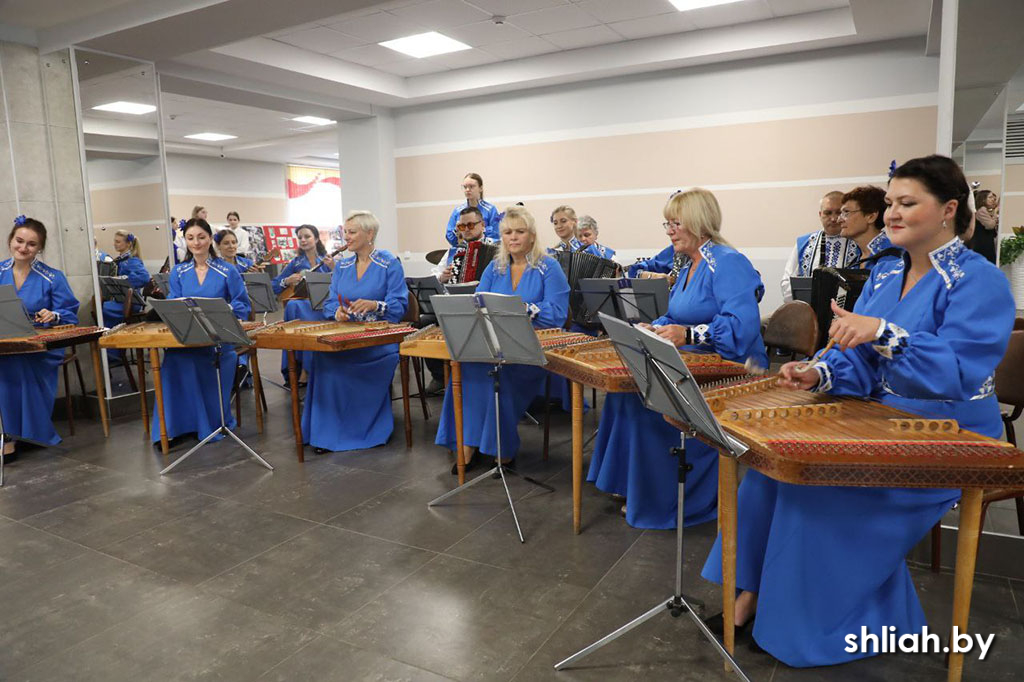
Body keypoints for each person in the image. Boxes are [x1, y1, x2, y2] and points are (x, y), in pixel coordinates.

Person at [701, 155, 1015, 667]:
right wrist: (820, 373)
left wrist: (884, 332)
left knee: (815, 496)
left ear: (948, 210)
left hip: (947, 435)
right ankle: (751, 599)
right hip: (879, 416)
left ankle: (804, 624)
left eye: (907, 203)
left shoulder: (978, 280)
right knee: (766, 477)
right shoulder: (887, 272)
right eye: (890, 202)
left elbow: (960, 371)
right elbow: (860, 359)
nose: (891, 213)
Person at [588, 189, 767, 529]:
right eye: (666, 223)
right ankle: (632, 485)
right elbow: (675, 315)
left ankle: (669, 500)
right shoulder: (689, 263)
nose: (669, 231)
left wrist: (691, 335)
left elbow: (741, 328)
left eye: (676, 223)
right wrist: (653, 328)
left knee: (648, 405)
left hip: (730, 367)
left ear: (699, 223)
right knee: (623, 395)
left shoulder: (727, 262)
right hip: (695, 359)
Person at [436, 206, 570, 473]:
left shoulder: (549, 267)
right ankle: (468, 443)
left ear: (532, 236)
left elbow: (557, 314)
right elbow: (478, 303)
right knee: (465, 367)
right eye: (508, 232)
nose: (513, 237)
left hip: (531, 348)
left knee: (500, 375)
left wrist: (524, 310)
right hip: (493, 344)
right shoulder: (495, 268)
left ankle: (501, 447)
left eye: (520, 231)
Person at [302, 211, 407, 453]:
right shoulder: (343, 266)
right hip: (347, 337)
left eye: (352, 232)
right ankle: (326, 433)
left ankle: (354, 431)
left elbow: (399, 306)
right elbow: (329, 303)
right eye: (345, 232)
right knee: (323, 357)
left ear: (369, 234)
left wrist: (375, 305)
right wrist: (337, 312)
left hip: (378, 340)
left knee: (340, 364)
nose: (346, 237)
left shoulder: (389, 263)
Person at [151, 218, 250, 445]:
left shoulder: (228, 270)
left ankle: (210, 424)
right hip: (188, 339)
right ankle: (175, 427)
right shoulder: (179, 271)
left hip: (219, 340)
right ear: (185, 241)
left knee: (210, 360)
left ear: (210, 239)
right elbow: (173, 302)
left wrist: (226, 310)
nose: (196, 242)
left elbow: (242, 305)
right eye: (190, 238)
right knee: (172, 362)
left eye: (201, 237)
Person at [0, 216, 80, 457]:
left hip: (40, 348)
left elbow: (70, 314)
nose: (23, 248)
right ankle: (9, 432)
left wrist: (53, 315)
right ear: (10, 241)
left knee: (16, 363)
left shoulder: (52, 277)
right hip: (4, 342)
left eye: (31, 244)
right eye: (19, 241)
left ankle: (18, 435)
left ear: (40, 248)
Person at [427, 206, 497, 394]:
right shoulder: (452, 252)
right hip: (456, 306)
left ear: (482, 225)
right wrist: (442, 278)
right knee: (425, 323)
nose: (465, 229)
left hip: (487, 307)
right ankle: (440, 376)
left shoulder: (498, 248)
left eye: (470, 225)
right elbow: (435, 277)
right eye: (461, 226)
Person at [272, 224, 337, 384]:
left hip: (326, 305)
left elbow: (344, 282)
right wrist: (287, 281)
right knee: (295, 306)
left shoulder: (328, 259)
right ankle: (301, 367)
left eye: (307, 236)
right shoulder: (295, 263)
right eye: (300, 237)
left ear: (316, 238)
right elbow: (274, 285)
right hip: (305, 305)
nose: (303, 240)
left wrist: (334, 268)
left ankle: (306, 369)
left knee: (296, 309)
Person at [780, 191, 861, 301]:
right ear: (820, 214)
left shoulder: (858, 244)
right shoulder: (804, 243)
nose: (833, 219)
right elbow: (787, 281)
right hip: (808, 311)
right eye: (828, 213)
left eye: (838, 212)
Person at [101, 230, 151, 364]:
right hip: (122, 301)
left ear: (128, 244)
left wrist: (124, 280)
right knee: (103, 309)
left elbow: (144, 277)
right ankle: (112, 350)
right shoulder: (121, 260)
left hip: (132, 303)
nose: (114, 244)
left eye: (118, 241)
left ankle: (112, 350)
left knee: (102, 309)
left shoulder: (132, 260)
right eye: (114, 241)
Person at [838, 185, 898, 268]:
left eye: (846, 212)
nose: (839, 220)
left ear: (871, 217)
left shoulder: (893, 256)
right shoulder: (855, 260)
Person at [445, 173, 500, 247]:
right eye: (465, 187)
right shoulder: (457, 211)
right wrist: (457, 230)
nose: (467, 190)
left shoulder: (490, 210)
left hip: (486, 251)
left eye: (471, 186)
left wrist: (480, 231)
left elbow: (496, 235)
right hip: (463, 251)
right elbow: (449, 236)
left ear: (480, 188)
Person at [968, 189, 998, 264]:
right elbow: (990, 225)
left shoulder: (987, 210)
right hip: (983, 244)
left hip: (985, 243)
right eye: (990, 197)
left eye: (993, 198)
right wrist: (995, 214)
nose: (993, 200)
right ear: (983, 199)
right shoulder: (982, 210)